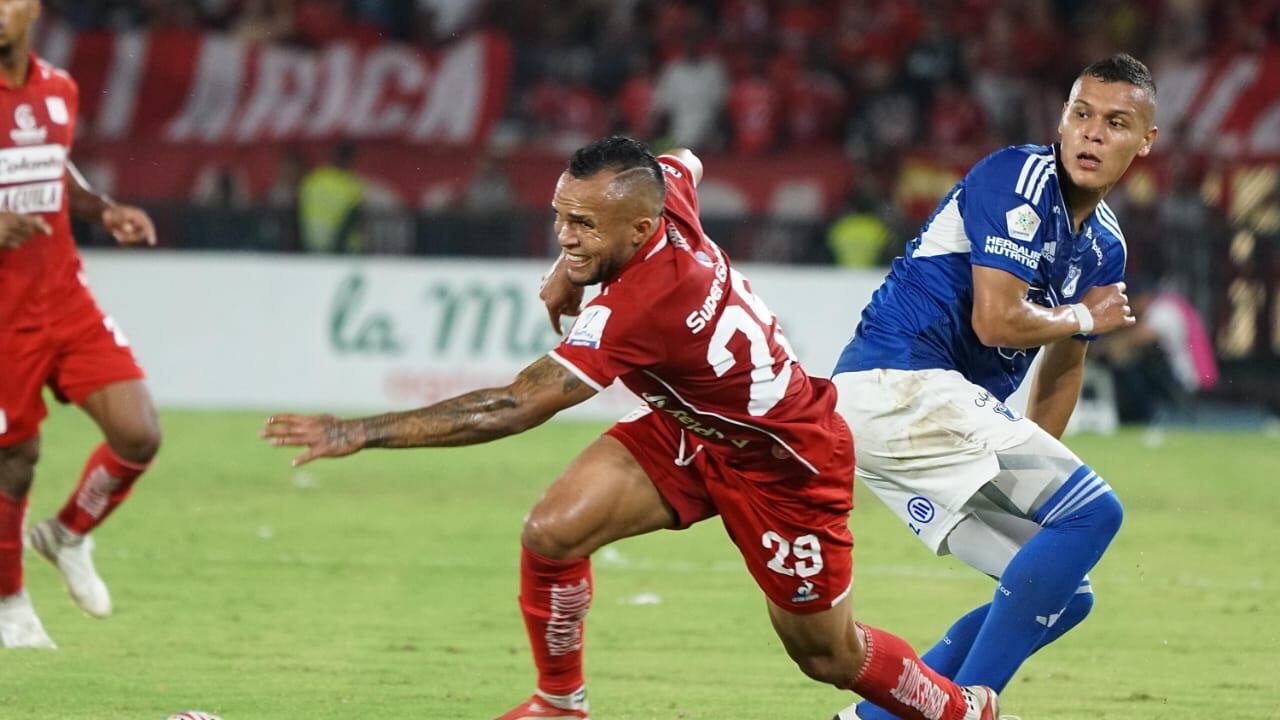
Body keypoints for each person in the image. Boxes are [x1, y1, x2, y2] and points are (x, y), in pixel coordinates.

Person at [262, 136, 1001, 720]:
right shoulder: (664, 197)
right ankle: (560, 704)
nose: (565, 233)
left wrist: (362, 431)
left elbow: (517, 405)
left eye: (582, 225)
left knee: (826, 656)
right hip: (694, 428)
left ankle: (965, 711)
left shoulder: (642, 302)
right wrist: (569, 260)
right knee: (551, 533)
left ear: (640, 228)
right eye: (560, 215)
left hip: (787, 465)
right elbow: (684, 160)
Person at [829, 54, 1157, 719]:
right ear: (1061, 119)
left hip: (919, 412)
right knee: (1097, 512)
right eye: (1081, 114)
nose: (1092, 134)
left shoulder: (1105, 246)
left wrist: (1039, 481)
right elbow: (997, 319)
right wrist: (1084, 316)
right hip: (900, 380)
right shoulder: (1017, 177)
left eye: (1116, 122)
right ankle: (965, 709)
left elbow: (1065, 366)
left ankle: (871, 719)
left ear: (1145, 141)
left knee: (1061, 587)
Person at [0, 0, 161, 649]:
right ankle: (9, 604)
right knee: (15, 457)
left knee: (137, 431)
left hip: (64, 299)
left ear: (32, 8)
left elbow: (56, 174)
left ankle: (66, 534)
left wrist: (107, 211)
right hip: (3, 314)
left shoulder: (58, 89)